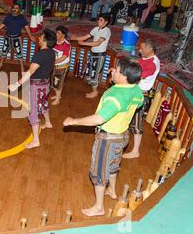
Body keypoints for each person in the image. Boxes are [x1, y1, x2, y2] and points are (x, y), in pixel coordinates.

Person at [63, 59, 144, 217]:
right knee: (113, 165)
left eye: (117, 70)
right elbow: (138, 104)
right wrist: (116, 78)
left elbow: (99, 119)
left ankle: (99, 207)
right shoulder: (137, 91)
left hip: (107, 139)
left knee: (99, 173)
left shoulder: (115, 96)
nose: (113, 71)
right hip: (122, 136)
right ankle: (112, 191)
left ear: (124, 76)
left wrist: (74, 121)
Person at [8, 28, 56, 149]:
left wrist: (16, 84)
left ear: (44, 40)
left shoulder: (40, 54)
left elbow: (31, 71)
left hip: (37, 86)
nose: (38, 38)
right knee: (43, 103)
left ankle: (35, 141)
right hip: (46, 84)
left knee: (33, 112)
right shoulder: (52, 52)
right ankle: (48, 123)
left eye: (41, 37)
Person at [123, 40, 160, 159]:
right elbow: (138, 63)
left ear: (150, 49)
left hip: (140, 96)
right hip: (134, 92)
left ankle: (135, 151)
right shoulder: (145, 58)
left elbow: (137, 77)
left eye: (142, 49)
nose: (139, 50)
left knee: (137, 123)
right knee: (127, 119)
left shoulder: (153, 63)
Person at [71, 13, 112, 99]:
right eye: (98, 19)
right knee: (89, 73)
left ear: (106, 22)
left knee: (94, 75)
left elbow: (98, 43)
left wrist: (84, 43)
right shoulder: (95, 29)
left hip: (99, 56)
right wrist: (74, 38)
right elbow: (85, 37)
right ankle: (94, 89)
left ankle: (94, 92)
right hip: (92, 54)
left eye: (101, 20)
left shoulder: (107, 31)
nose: (98, 21)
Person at [0, 3, 35, 73]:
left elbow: (26, 27)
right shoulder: (8, 17)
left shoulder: (21, 18)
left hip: (17, 38)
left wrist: (30, 36)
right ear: (12, 9)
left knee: (19, 54)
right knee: (4, 52)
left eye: (16, 8)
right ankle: (1, 64)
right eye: (14, 8)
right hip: (7, 37)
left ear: (19, 10)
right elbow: (1, 26)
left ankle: (22, 68)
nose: (15, 9)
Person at [51, 25, 71, 106]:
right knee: (55, 82)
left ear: (63, 35)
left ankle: (58, 99)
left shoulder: (66, 45)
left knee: (59, 83)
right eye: (56, 32)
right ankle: (57, 95)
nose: (56, 34)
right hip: (55, 65)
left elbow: (64, 57)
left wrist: (53, 61)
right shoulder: (54, 42)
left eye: (58, 33)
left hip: (62, 67)